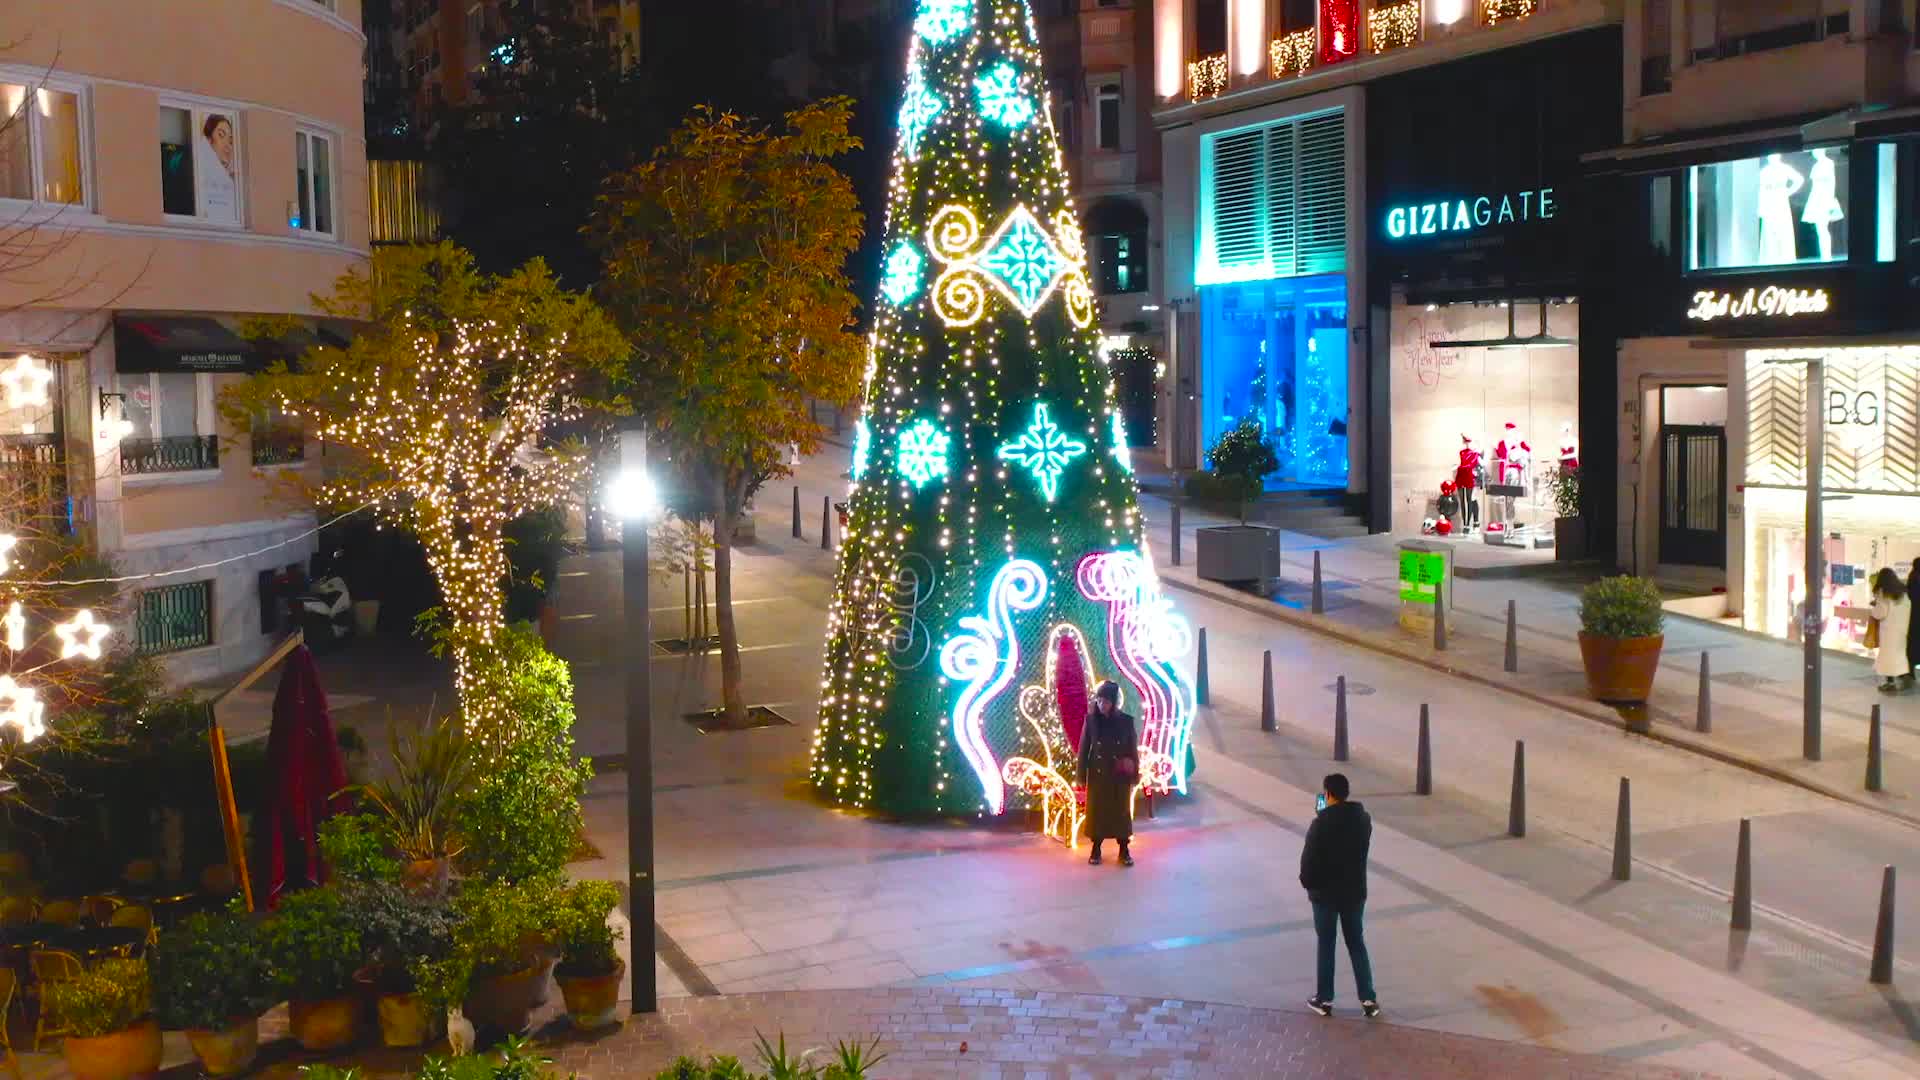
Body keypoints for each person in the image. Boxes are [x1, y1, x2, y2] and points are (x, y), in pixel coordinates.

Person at [1300, 773, 1378, 1018]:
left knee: (1327, 944)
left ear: (1329, 794)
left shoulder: (1321, 824)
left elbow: (1309, 860)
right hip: (1354, 893)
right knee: (1356, 942)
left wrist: (1308, 884)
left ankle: (1324, 999)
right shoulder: (1363, 820)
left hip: (1325, 894)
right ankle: (1368, 999)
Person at [1079, 680, 1138, 867]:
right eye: (1099, 700)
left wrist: (1135, 772)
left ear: (1113, 702)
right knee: (1098, 813)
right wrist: (1080, 775)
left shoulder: (1126, 722)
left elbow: (1132, 749)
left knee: (1121, 812)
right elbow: (1084, 749)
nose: (1101, 705)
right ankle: (1096, 848)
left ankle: (1124, 849)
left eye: (1106, 701)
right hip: (1098, 775)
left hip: (1119, 776)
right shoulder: (1091, 721)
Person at [1869, 568, 1913, 693]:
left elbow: (1881, 613)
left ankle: (1891, 683)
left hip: (1888, 631)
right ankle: (1904, 676)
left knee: (1888, 657)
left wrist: (1873, 609)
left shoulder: (1883, 593)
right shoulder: (1903, 592)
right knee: (1899, 655)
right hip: (1901, 630)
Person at [1908, 557, 1920, 685]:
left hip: (1913, 618)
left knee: (1912, 646)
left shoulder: (1913, 577)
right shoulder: (1915, 578)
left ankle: (1910, 672)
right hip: (1915, 618)